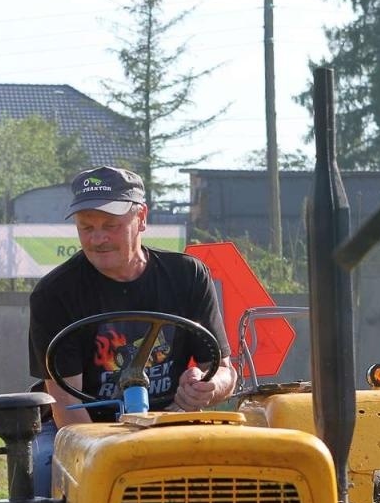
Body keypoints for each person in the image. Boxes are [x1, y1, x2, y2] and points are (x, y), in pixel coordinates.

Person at [28, 166, 236, 434]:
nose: (97, 238)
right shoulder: (54, 294)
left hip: (170, 423)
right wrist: (112, 455)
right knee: (43, 466)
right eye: (86, 227)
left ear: (141, 218)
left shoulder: (188, 276)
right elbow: (66, 404)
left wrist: (207, 387)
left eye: (110, 226)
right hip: (84, 430)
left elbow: (223, 371)